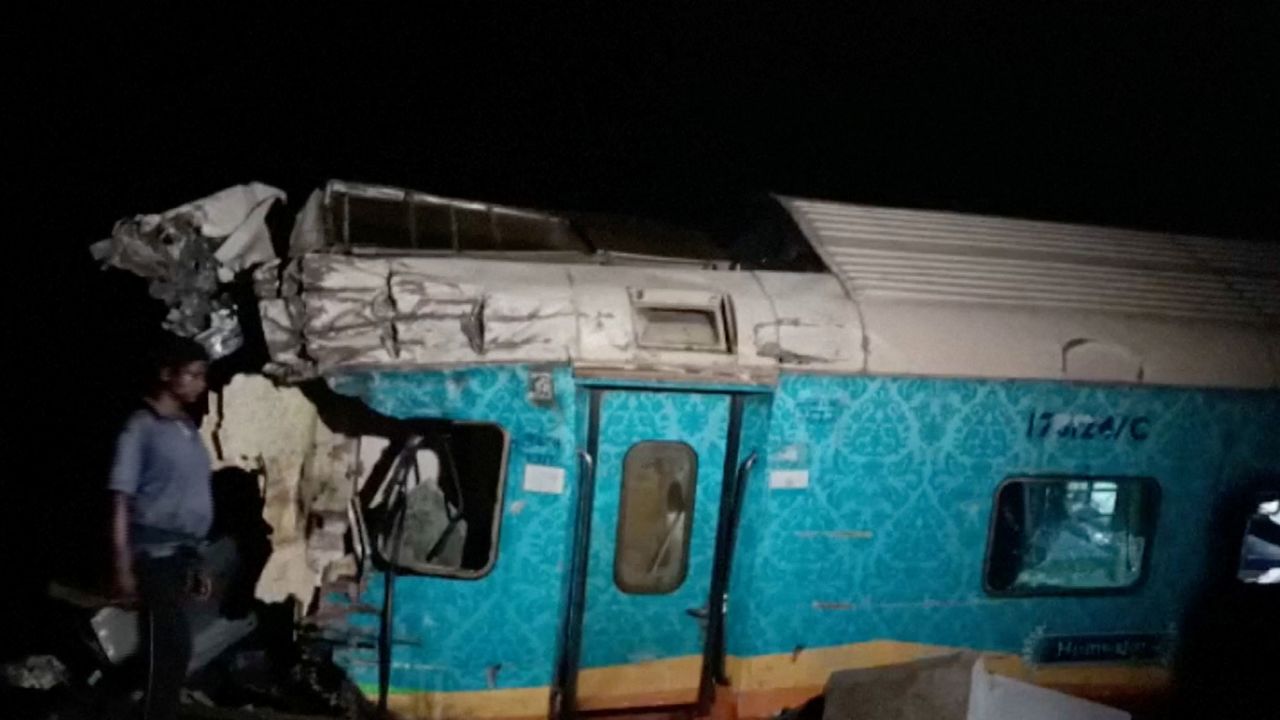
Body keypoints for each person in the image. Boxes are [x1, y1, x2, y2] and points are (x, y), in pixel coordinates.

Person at [109, 335, 213, 720]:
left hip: (182, 551)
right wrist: (122, 567)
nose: (200, 384)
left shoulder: (186, 428)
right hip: (152, 552)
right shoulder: (141, 427)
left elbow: (192, 496)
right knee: (169, 647)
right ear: (167, 374)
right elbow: (120, 497)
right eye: (193, 375)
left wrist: (198, 560)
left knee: (176, 648)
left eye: (203, 376)